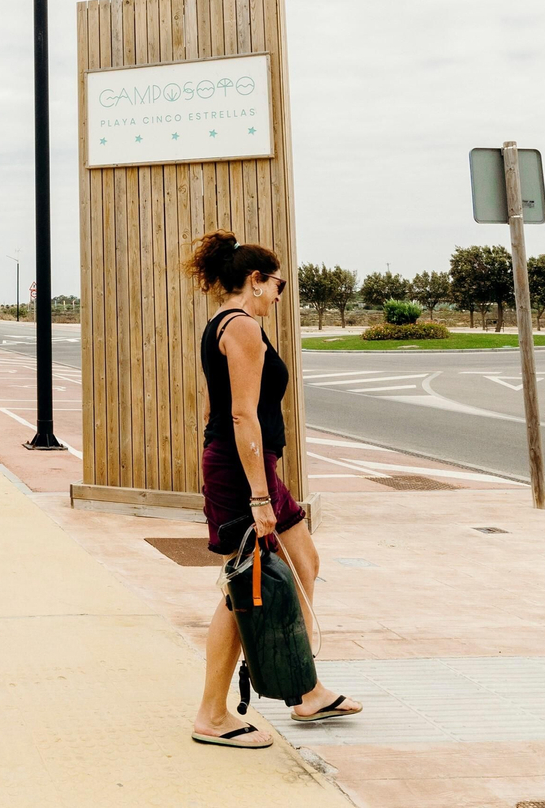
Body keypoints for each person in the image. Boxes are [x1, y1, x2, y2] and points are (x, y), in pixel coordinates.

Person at [185, 231, 362, 749]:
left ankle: (305, 690)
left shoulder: (232, 325)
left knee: (304, 561)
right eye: (278, 283)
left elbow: (218, 408)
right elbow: (240, 413)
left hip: (251, 465)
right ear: (256, 281)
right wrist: (258, 496)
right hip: (244, 472)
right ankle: (212, 716)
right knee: (246, 588)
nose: (282, 293)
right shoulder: (241, 328)